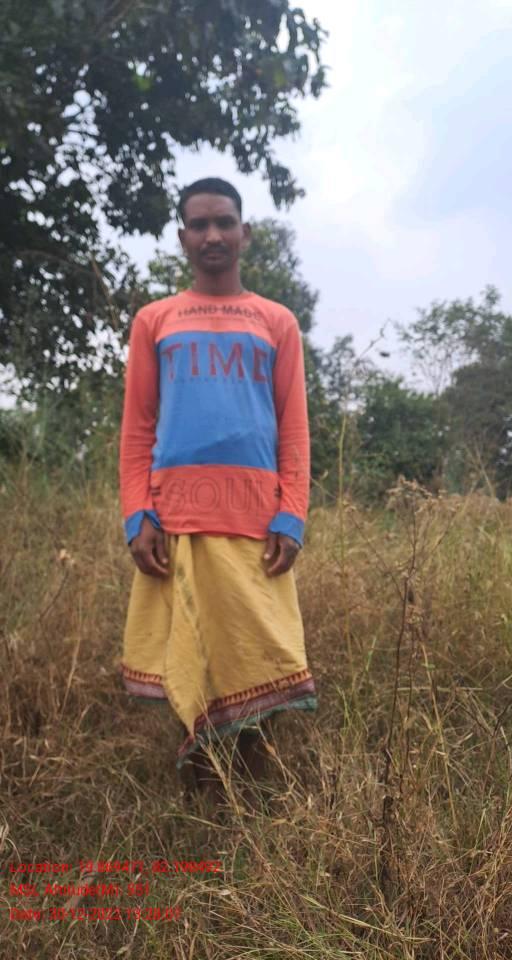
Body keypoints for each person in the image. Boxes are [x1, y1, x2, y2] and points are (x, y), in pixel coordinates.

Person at [119, 177, 317, 804]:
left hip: (258, 526)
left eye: (224, 222)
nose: (213, 235)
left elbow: (293, 428)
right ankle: (203, 798)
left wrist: (292, 517)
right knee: (192, 660)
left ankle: (253, 796)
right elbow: (138, 428)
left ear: (244, 233)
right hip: (175, 522)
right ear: (182, 238)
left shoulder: (276, 322)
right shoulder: (154, 321)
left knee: (262, 655)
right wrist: (137, 515)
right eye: (199, 225)